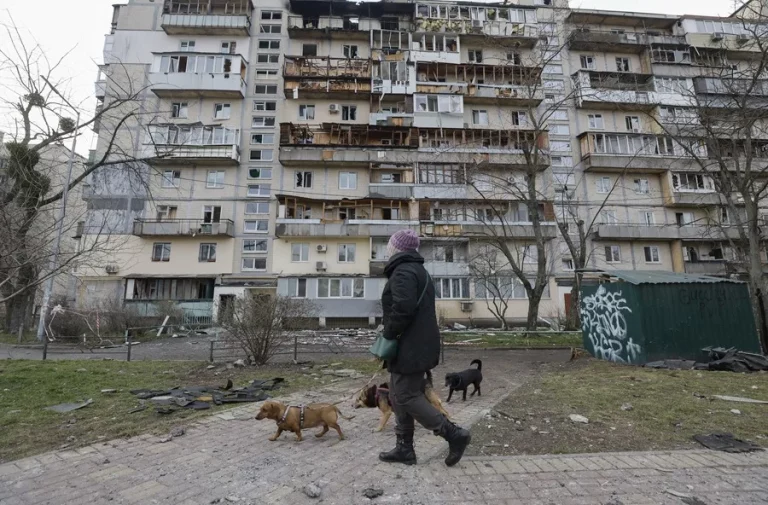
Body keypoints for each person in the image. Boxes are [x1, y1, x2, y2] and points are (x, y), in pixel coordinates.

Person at [377, 229, 471, 467]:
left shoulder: (403, 272)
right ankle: (405, 449)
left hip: (409, 346)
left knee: (405, 395)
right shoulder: (419, 271)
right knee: (400, 396)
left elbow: (403, 308)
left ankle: (453, 434)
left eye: (390, 244)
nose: (388, 248)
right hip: (419, 344)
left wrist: (388, 335)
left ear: (397, 248)